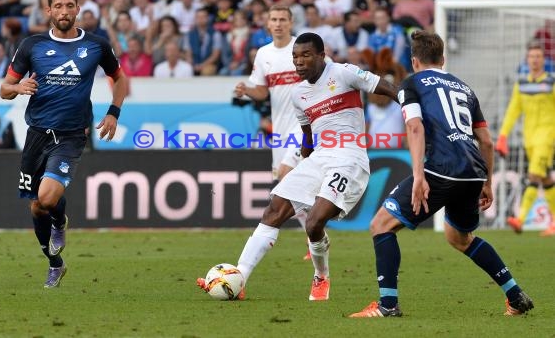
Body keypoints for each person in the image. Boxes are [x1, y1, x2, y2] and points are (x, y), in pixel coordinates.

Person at [198, 32, 397, 301]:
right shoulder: (298, 93)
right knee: (274, 209)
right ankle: (240, 277)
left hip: (349, 158)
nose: (299, 62)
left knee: (314, 223)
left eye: (305, 55)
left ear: (321, 55)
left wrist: (411, 106)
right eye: (295, 57)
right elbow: (308, 135)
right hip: (319, 158)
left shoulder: (343, 73)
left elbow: (383, 86)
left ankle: (321, 276)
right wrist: (304, 164)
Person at [349, 30, 534, 318]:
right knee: (459, 237)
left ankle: (387, 305)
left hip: (441, 169)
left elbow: (415, 127)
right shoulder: (464, 88)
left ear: (414, 61)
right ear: (443, 59)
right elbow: (485, 140)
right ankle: (514, 294)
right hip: (472, 171)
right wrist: (486, 182)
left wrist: (420, 176)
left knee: (381, 225)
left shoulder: (411, 84)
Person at [0, 0, 129, 288]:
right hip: (36, 135)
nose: (64, 11)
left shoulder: (96, 45)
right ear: (48, 11)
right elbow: (4, 89)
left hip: (71, 135)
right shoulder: (32, 45)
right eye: (57, 6)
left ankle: (59, 221)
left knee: (47, 197)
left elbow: (119, 79)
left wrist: (113, 112)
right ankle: (55, 263)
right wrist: (18, 88)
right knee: (36, 206)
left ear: (78, 8)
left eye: (69, 5)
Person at [234, 5, 311, 259]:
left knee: (287, 179)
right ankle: (316, 236)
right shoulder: (264, 54)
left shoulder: (302, 49)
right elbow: (262, 92)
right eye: (273, 19)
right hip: (280, 130)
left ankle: (272, 237)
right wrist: (247, 90)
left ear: (290, 22)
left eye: (282, 19)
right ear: (268, 24)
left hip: (304, 126)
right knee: (290, 186)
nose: (278, 24)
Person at [497, 44, 555, 236]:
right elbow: (514, 110)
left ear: (543, 60)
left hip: (547, 137)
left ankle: (520, 219)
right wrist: (503, 135)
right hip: (529, 139)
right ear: (527, 60)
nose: (535, 60)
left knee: (534, 176)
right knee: (545, 179)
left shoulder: (551, 82)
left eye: (538, 56)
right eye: (532, 56)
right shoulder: (521, 83)